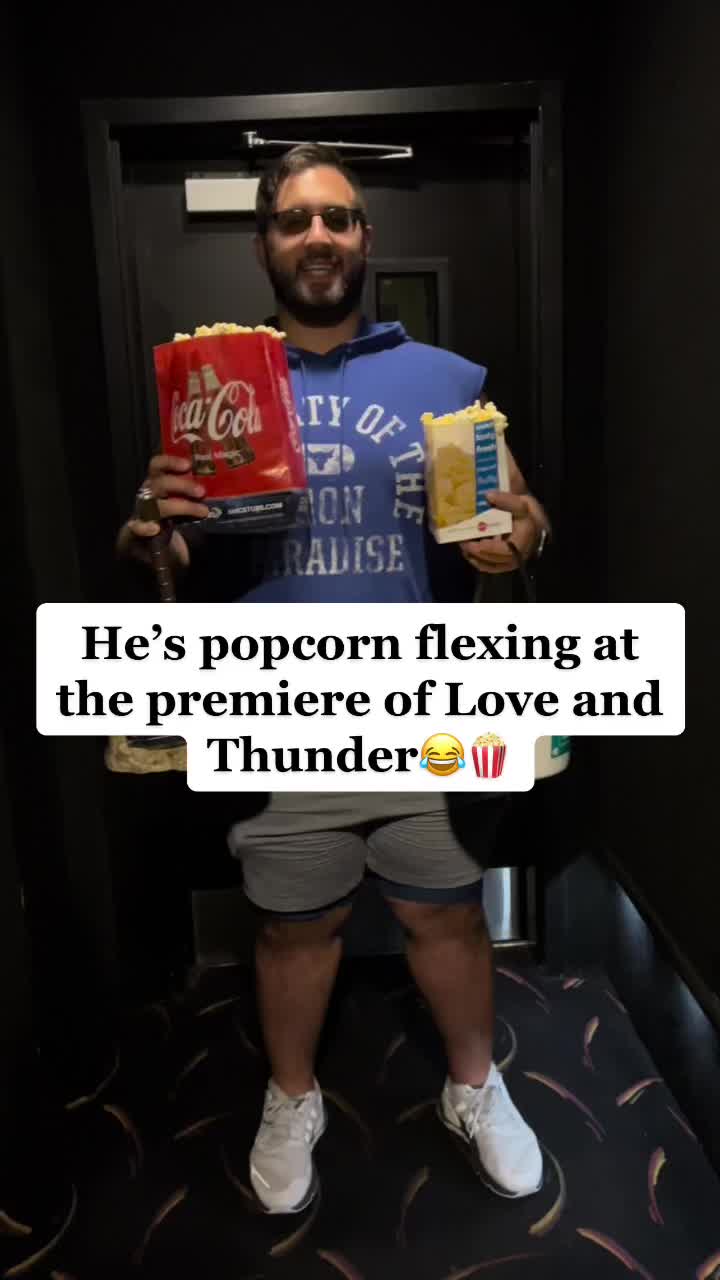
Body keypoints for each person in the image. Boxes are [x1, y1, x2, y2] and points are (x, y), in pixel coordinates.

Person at [119, 144, 550, 1216]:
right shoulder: (216, 387)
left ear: (365, 239)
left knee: (446, 914)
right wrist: (154, 540)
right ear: (265, 244)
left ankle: (473, 1084)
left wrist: (523, 535)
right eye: (295, 220)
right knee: (292, 927)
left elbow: (518, 514)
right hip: (277, 705)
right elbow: (179, 547)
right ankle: (292, 1094)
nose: (319, 236)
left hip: (419, 703)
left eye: (339, 218)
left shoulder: (446, 380)